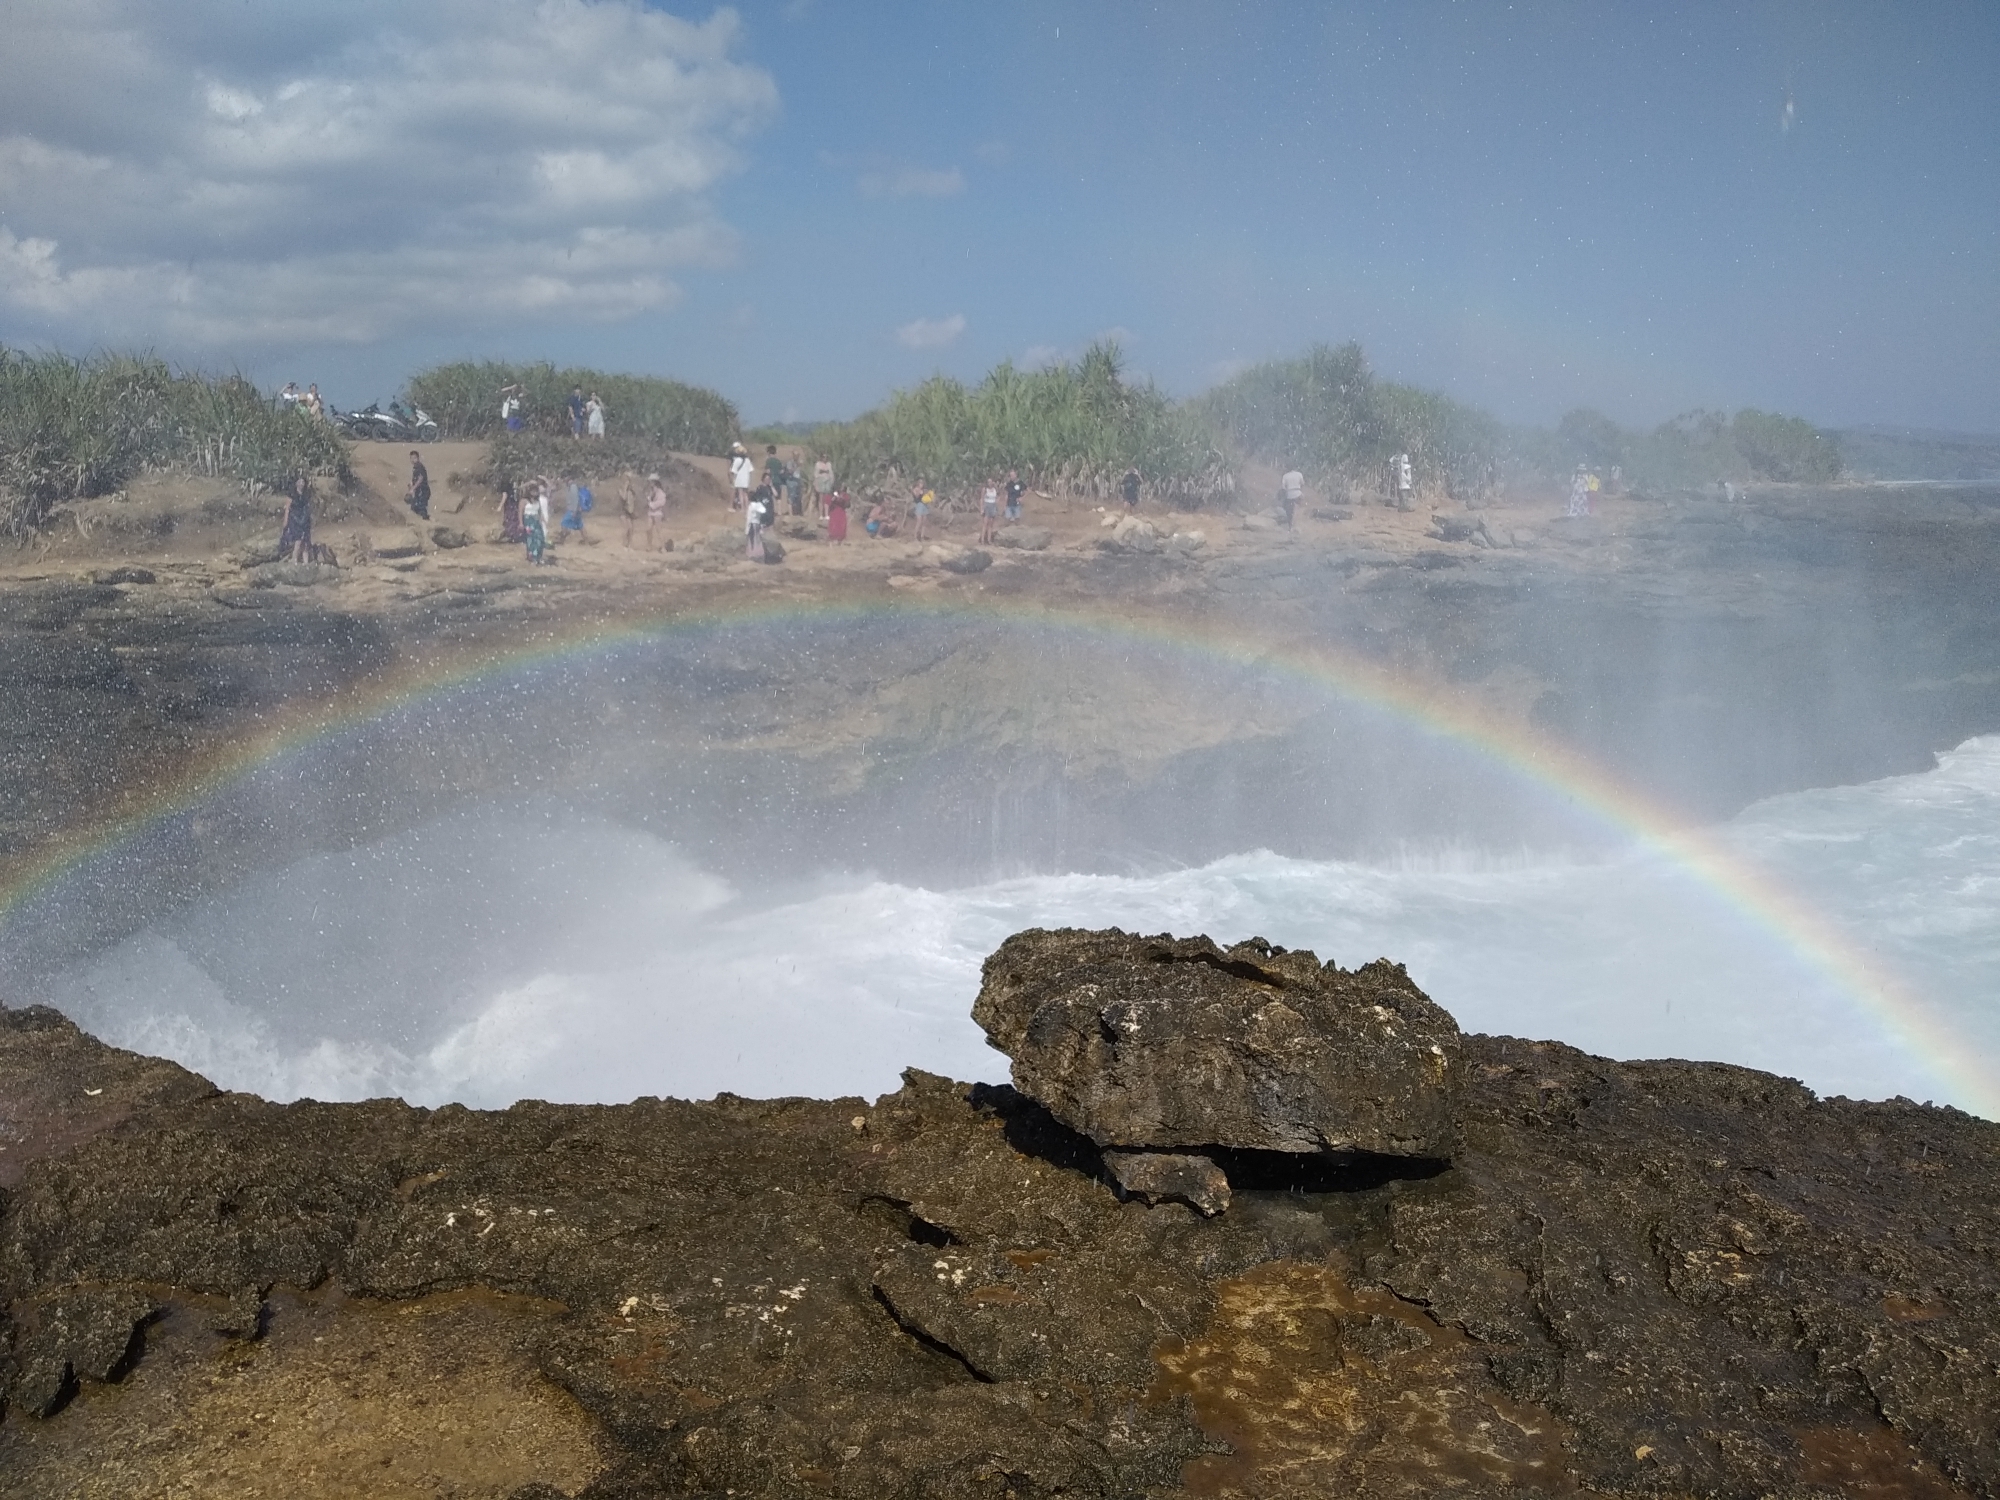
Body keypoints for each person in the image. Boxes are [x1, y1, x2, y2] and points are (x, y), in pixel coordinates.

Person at [278, 475, 313, 563]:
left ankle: (306, 563)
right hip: (295, 519)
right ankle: (295, 560)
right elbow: (287, 508)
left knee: (305, 542)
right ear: (296, 483)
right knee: (298, 540)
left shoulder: (306, 494)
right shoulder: (292, 494)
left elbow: (308, 507)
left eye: (303, 482)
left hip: (304, 519)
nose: (301, 484)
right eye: (299, 482)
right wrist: (285, 520)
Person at [524, 480, 552, 563]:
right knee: (531, 539)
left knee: (541, 538)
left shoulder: (541, 498)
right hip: (530, 521)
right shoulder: (527, 500)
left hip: (539, 520)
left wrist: (543, 519)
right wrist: (529, 482)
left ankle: (538, 556)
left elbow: (550, 486)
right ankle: (532, 557)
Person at [729, 441, 755, 510]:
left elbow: (733, 471)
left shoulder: (737, 460)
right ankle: (747, 507)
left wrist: (732, 478)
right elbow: (751, 470)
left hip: (739, 479)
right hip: (746, 479)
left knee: (740, 493)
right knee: (745, 494)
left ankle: (742, 508)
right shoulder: (747, 460)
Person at [406, 451, 431, 519]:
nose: (413, 460)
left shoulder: (419, 467)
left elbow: (420, 479)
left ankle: (426, 520)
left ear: (418, 458)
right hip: (419, 491)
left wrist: (413, 488)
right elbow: (415, 479)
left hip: (423, 491)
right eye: (411, 458)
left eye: (414, 458)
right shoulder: (415, 467)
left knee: (421, 507)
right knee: (414, 507)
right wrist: (411, 485)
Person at [1279, 464, 1305, 530]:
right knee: (1300, 507)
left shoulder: (1285, 476)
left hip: (1289, 495)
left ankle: (1290, 525)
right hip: (1297, 493)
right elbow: (1302, 484)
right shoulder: (1299, 474)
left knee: (1288, 511)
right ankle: (1299, 522)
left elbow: (1283, 487)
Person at [646, 472, 667, 550]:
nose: (650, 483)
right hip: (651, 512)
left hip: (657, 513)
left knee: (658, 530)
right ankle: (649, 545)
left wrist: (651, 504)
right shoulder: (651, 492)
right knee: (648, 529)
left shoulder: (660, 493)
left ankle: (663, 547)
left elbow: (661, 503)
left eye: (651, 481)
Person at [499, 479, 524, 543]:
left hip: (509, 506)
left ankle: (511, 535)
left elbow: (504, 496)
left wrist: (499, 507)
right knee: (514, 520)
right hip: (515, 505)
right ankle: (515, 535)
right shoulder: (513, 489)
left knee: (509, 520)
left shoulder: (504, 487)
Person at [979, 476, 1000, 544]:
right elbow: (982, 498)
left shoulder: (995, 489)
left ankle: (989, 539)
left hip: (993, 505)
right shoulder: (985, 489)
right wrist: (982, 508)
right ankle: (982, 539)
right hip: (987, 505)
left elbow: (996, 498)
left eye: (991, 482)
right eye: (988, 482)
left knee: (991, 524)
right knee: (985, 523)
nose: (990, 483)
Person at [620, 476, 638, 547]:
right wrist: (625, 488)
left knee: (631, 528)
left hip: (630, 511)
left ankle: (630, 544)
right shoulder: (621, 490)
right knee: (626, 528)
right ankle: (624, 544)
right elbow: (624, 498)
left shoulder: (631, 491)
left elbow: (633, 500)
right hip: (623, 511)